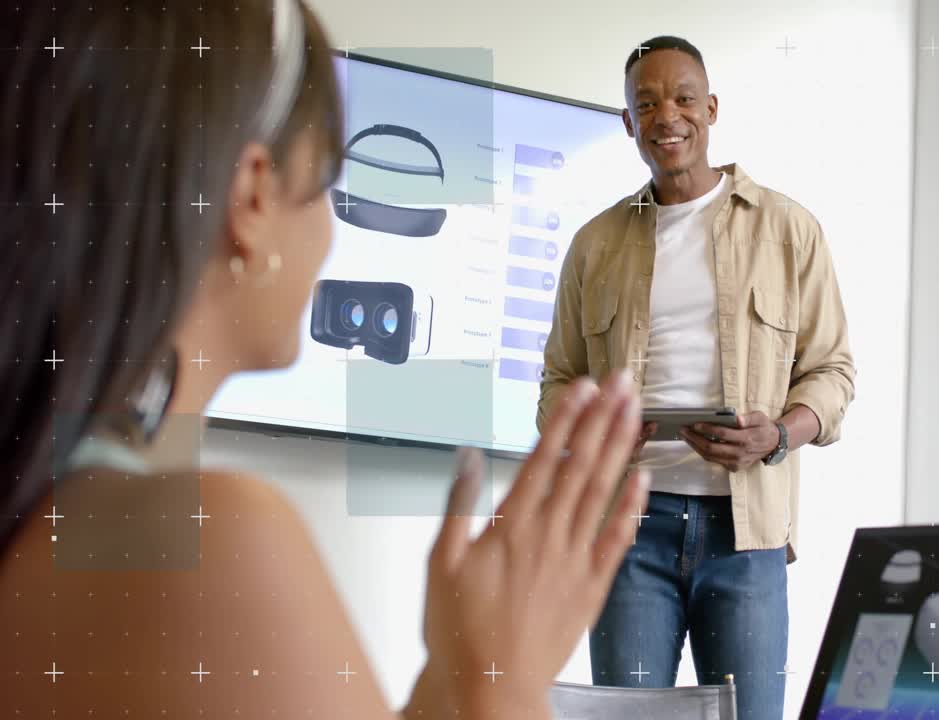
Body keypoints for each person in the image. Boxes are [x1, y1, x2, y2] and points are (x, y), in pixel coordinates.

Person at [0, 2, 650, 718]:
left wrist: (460, 670)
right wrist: (504, 683)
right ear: (251, 198)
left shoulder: (56, 512)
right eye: (326, 185)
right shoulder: (204, 545)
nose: (330, 236)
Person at [537, 35, 856, 719]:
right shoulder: (594, 245)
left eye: (682, 99)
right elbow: (557, 386)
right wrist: (595, 435)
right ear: (628, 122)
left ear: (710, 109)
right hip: (627, 528)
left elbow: (832, 373)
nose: (666, 116)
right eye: (646, 104)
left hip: (748, 532)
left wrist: (776, 435)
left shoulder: (789, 229)